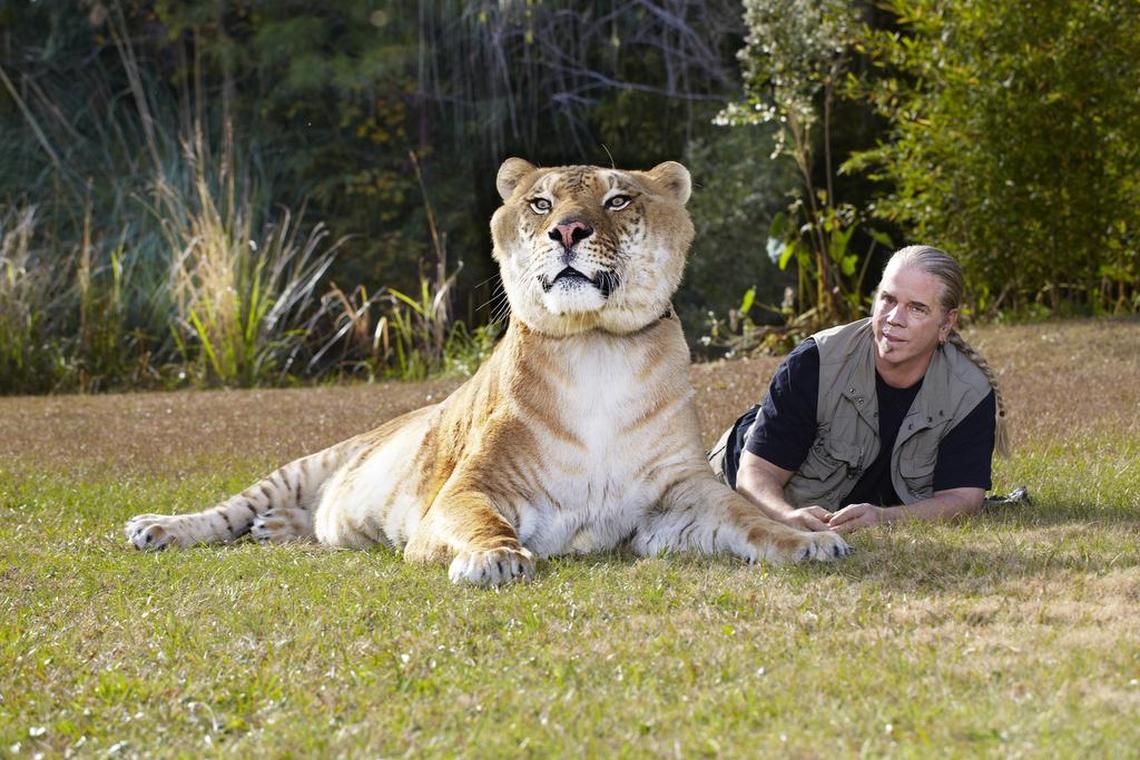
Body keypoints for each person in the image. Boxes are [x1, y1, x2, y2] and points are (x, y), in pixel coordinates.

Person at [708, 245, 1010, 534]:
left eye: (916, 308)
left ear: (946, 323)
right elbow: (756, 473)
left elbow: (963, 499)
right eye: (888, 299)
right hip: (737, 472)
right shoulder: (816, 362)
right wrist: (785, 516)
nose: (894, 319)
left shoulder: (969, 392)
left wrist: (885, 518)